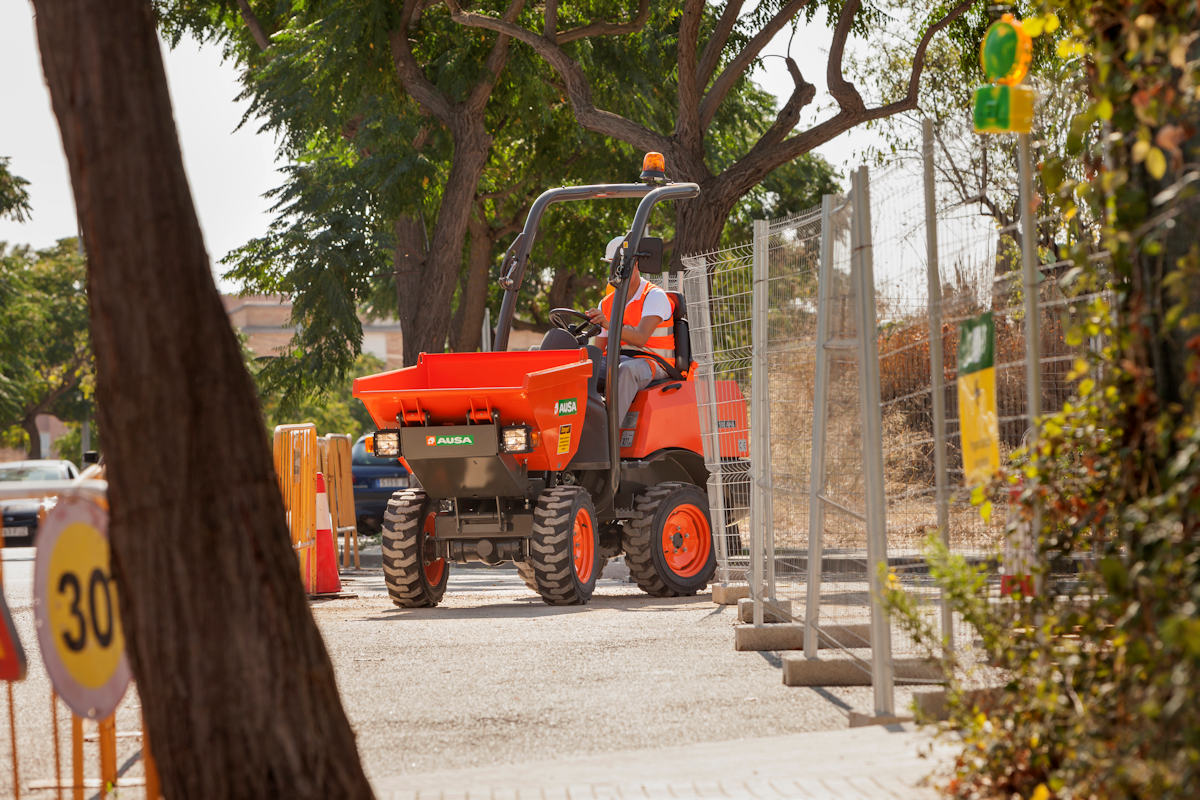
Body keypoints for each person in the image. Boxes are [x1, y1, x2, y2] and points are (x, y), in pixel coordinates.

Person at [585, 235, 675, 424]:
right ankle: (582, 426)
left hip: (653, 362)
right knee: (581, 367)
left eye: (616, 265)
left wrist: (609, 324)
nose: (613, 272)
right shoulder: (607, 303)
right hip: (617, 359)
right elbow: (598, 350)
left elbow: (640, 338)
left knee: (626, 371)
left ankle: (607, 435)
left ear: (633, 264)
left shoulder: (653, 296)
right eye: (610, 265)